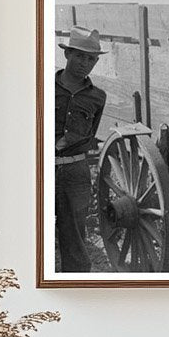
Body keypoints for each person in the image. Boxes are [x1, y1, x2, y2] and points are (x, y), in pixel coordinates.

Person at [54, 26, 107, 272]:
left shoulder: (97, 97)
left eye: (91, 59)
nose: (85, 63)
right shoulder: (44, 86)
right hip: (39, 170)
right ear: (67, 55)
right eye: (79, 56)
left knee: (74, 240)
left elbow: (90, 133)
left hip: (75, 173)